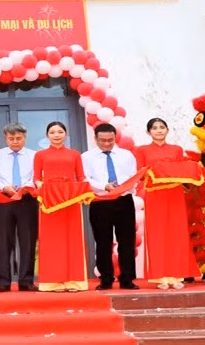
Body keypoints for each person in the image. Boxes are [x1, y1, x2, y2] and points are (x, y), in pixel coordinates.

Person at [135, 118, 199, 290]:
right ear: (148, 132)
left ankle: (177, 275)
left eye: (162, 127)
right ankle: (160, 276)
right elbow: (140, 173)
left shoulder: (177, 150)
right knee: (157, 234)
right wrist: (154, 171)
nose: (158, 130)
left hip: (175, 193)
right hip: (154, 194)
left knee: (177, 233)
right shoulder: (141, 150)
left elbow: (182, 170)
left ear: (167, 130)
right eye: (154, 128)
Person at [34, 122, 91, 292]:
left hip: (71, 201)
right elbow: (37, 179)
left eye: (60, 132)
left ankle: (74, 280)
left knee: (72, 239)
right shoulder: (40, 155)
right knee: (52, 241)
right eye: (52, 132)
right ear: (47, 135)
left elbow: (81, 177)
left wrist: (84, 189)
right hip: (49, 202)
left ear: (66, 134)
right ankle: (53, 281)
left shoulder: (74, 154)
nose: (56, 135)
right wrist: (44, 190)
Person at [83, 123, 139, 290]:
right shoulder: (86, 157)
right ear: (95, 139)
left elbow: (133, 175)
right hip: (100, 201)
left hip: (124, 201)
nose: (106, 144)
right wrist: (103, 186)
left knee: (126, 241)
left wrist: (122, 186)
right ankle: (106, 279)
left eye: (110, 140)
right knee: (102, 242)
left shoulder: (126, 155)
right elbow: (85, 179)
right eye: (102, 140)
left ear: (116, 138)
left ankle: (127, 279)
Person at [0, 122, 38, 292]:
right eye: (11, 138)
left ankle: (26, 281)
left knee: (28, 241)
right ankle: (2, 282)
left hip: (27, 199)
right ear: (5, 138)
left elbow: (37, 176)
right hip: (4, 200)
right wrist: (4, 188)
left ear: (25, 138)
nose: (15, 141)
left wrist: (25, 187)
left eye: (18, 138)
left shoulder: (34, 155)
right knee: (3, 242)